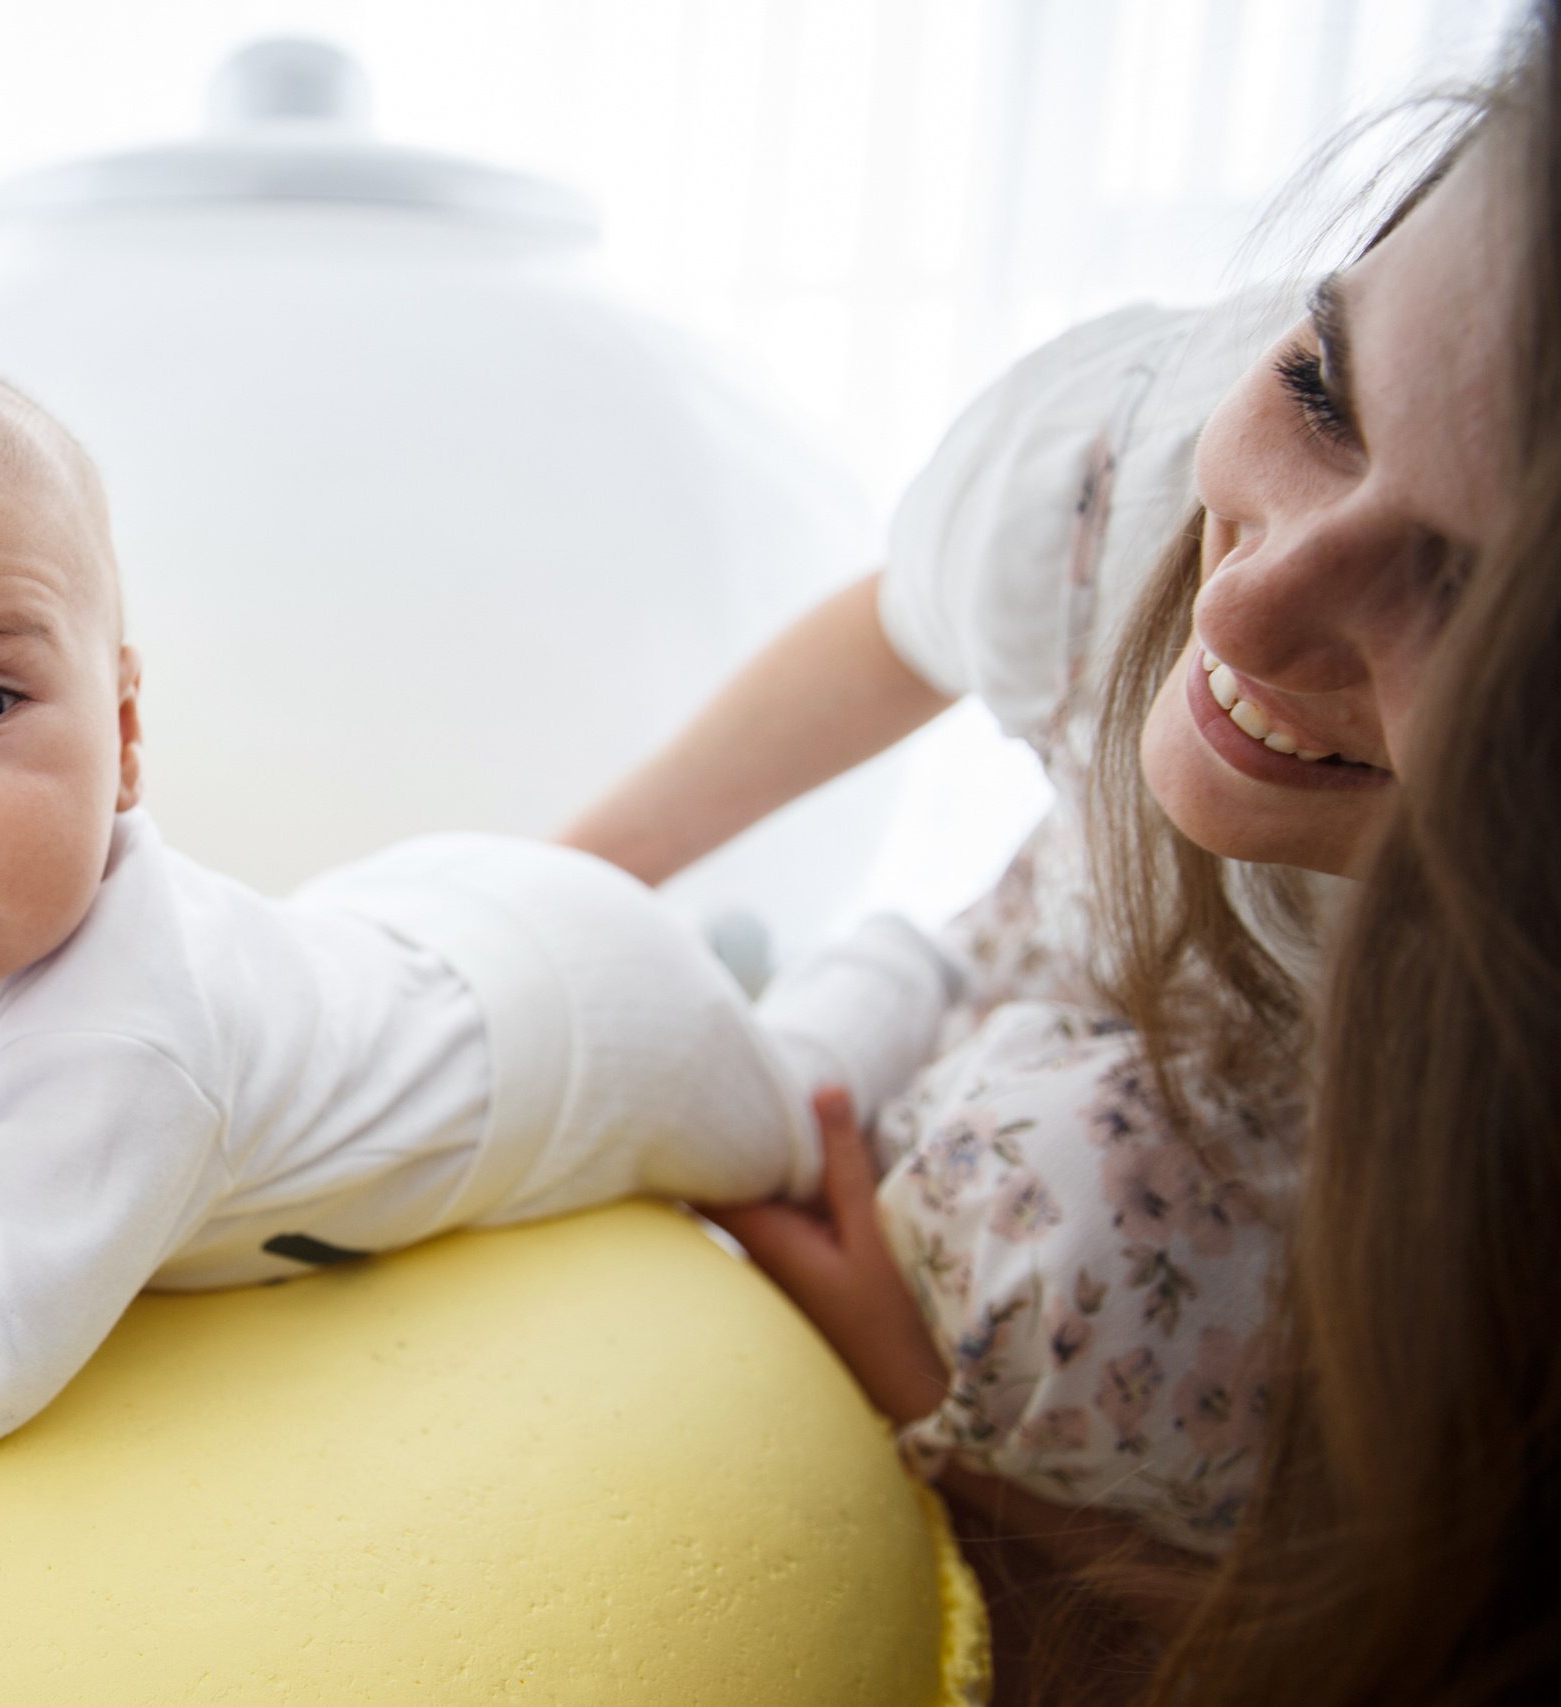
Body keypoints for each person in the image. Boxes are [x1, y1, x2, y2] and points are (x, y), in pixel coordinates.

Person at [566, 4, 1561, 1694]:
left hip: (1197, 1465)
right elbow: (904, 626)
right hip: (998, 1008)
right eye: (1323, 396)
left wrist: (925, 1414)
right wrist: (555, 898)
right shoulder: (1146, 464)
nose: (1246, 602)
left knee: (1059, 1198)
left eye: (1463, 597)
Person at [0, 358, 926, 1469]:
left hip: (577, 1028)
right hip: (393, 926)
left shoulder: (119, 1043)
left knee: (797, 1108)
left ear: (126, 736)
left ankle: (910, 963)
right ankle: (752, 948)